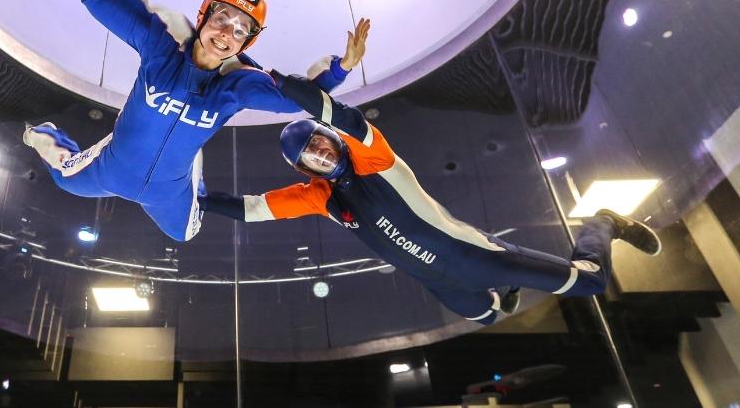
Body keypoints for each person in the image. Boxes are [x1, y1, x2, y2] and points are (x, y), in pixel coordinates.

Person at [23, 0, 369, 242]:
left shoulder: (238, 86)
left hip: (168, 192)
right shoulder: (161, 47)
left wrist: (341, 69)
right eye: (223, 18)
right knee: (64, 179)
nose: (227, 33)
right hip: (113, 167)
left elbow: (293, 102)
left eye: (241, 31)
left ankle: (192, 172)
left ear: (246, 44)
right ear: (204, 16)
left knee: (185, 234)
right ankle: (42, 134)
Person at [200, 47, 663, 325]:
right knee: (488, 315)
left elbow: (334, 113)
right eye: (310, 156)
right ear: (306, 170)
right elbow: (254, 209)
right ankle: (503, 294)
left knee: (591, 283)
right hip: (441, 283)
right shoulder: (322, 198)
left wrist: (268, 75)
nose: (320, 153)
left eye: (320, 143)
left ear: (330, 141)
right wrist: (197, 200)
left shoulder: (371, 157)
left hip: (479, 258)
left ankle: (604, 222)